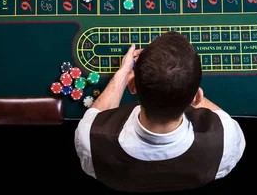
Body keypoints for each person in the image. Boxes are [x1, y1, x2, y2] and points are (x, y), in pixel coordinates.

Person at [74, 31, 246, 193]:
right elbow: (219, 116)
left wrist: (123, 73)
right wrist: (183, 87)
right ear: (197, 98)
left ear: (132, 86)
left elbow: (95, 115)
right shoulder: (226, 140)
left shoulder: (90, 138)